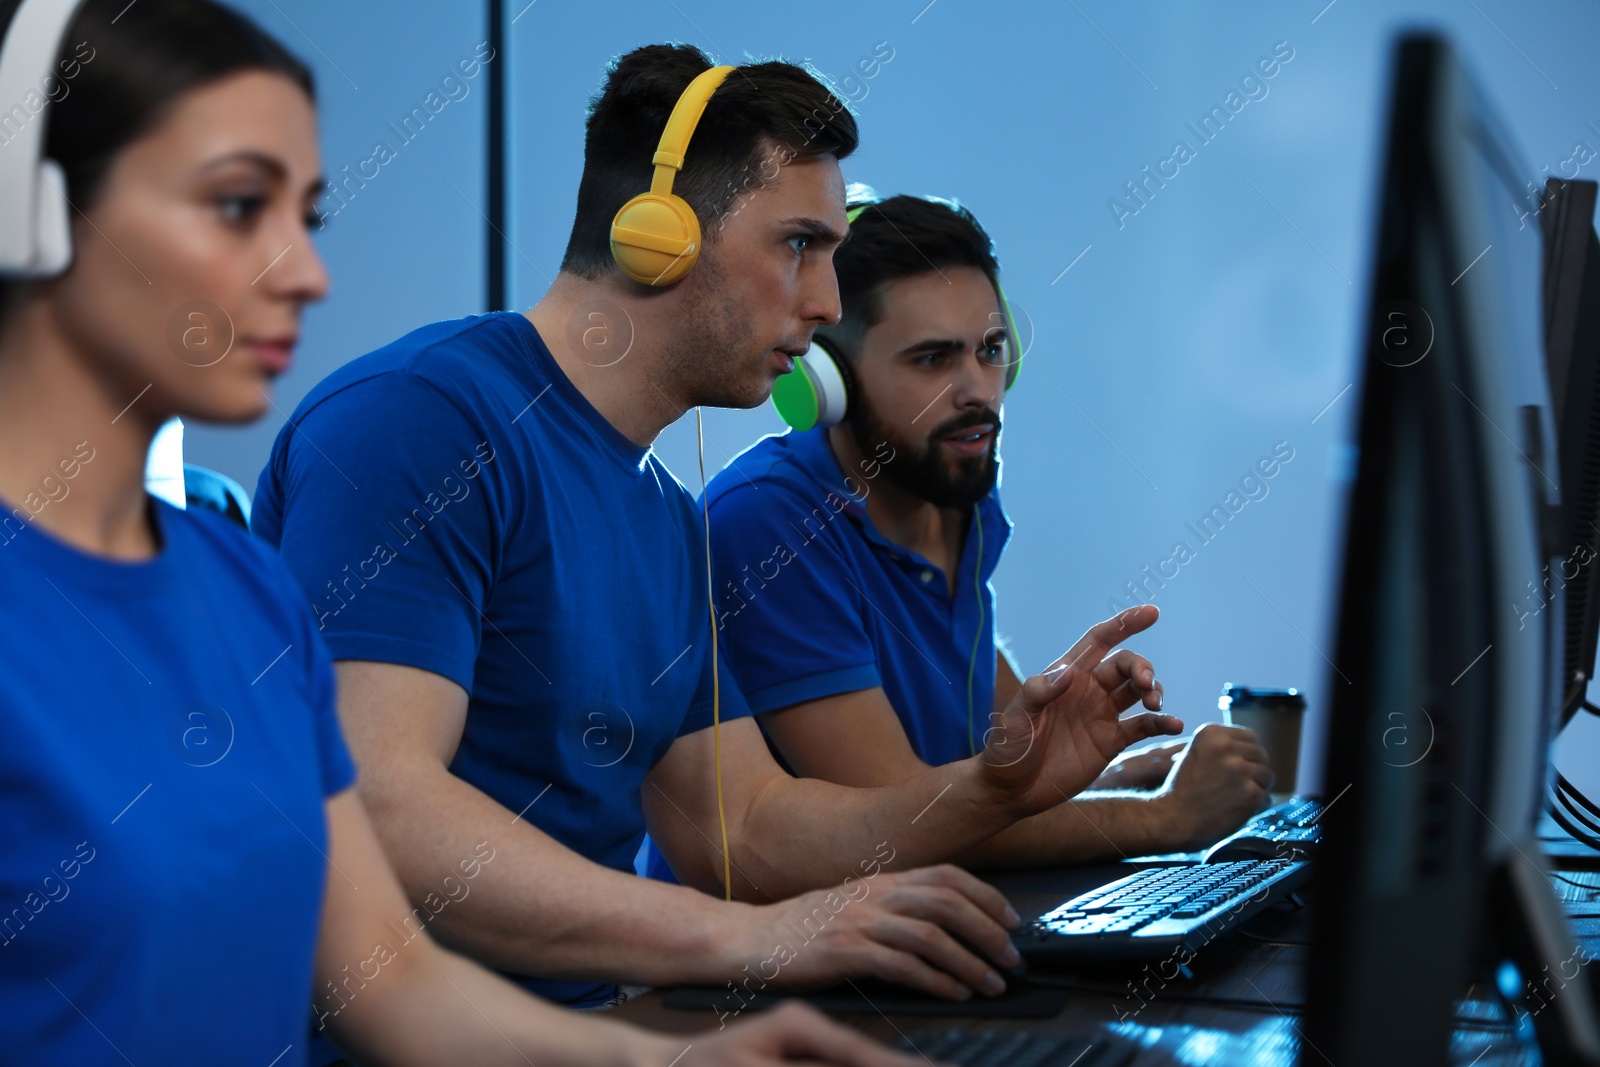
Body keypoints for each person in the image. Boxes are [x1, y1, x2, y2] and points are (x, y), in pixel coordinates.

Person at [0, 2, 924, 1063]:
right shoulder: (419, 418)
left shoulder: (233, 586)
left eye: (309, 216)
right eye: (237, 204)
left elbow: (395, 971)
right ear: (33, 216)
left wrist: (677, 1059)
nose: (305, 274)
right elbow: (392, 820)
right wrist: (741, 940)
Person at [251, 41, 1185, 1023]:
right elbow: (376, 800)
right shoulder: (425, 420)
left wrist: (996, 786)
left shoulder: (662, 515)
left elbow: (744, 825)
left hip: (585, 1032)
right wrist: (749, 936)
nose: (826, 303)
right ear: (657, 236)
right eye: (798, 245)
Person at [677, 192, 1273, 870]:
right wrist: (1168, 815)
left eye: (991, 351)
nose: (979, 391)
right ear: (827, 379)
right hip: (767, 960)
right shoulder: (770, 525)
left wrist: (1102, 774)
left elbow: (994, 771)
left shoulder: (951, 492)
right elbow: (900, 821)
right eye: (933, 359)